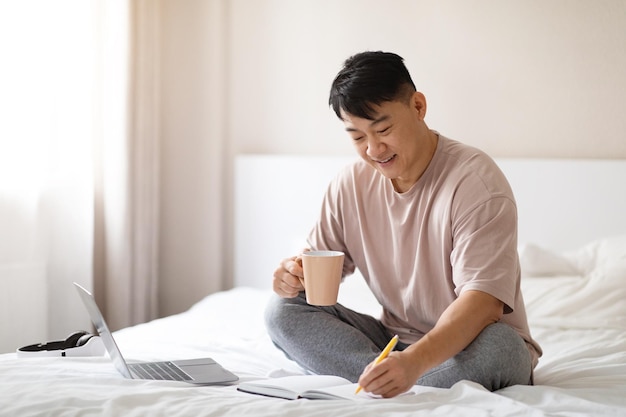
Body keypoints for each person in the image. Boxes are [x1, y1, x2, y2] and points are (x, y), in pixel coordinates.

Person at [264, 51, 542, 398]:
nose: (373, 149)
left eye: (383, 129)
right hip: (392, 343)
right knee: (282, 310)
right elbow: (320, 268)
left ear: (418, 106)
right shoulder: (350, 184)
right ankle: (383, 378)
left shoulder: (476, 182)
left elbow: (483, 304)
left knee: (502, 348)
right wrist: (293, 276)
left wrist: (414, 363)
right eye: (357, 137)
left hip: (472, 342)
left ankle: (396, 381)